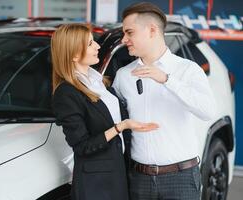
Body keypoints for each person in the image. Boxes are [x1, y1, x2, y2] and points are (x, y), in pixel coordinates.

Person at [112, 2, 217, 200]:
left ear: (152, 30)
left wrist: (167, 80)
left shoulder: (188, 70)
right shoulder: (123, 75)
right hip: (139, 179)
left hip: (181, 178)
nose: (124, 39)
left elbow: (207, 111)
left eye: (129, 32)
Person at [51, 23, 158, 200]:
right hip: (96, 184)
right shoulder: (66, 93)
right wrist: (120, 127)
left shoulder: (99, 82)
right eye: (90, 43)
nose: (97, 46)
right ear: (75, 54)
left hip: (117, 174)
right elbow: (82, 147)